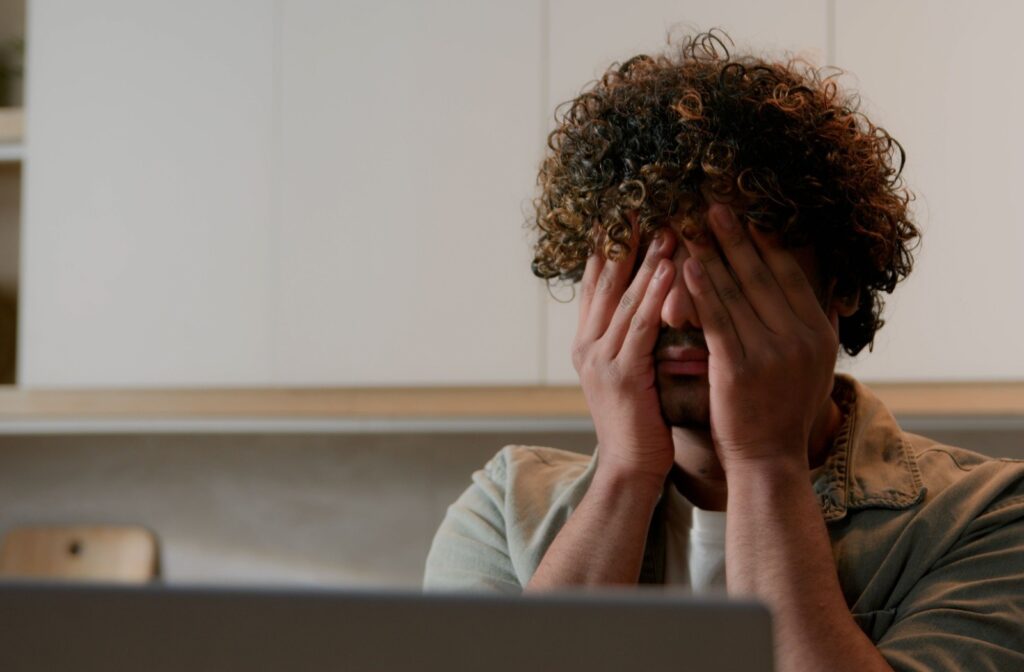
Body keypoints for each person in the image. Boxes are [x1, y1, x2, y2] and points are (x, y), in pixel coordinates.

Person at [423, 31, 1024, 671]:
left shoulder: (983, 520)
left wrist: (766, 462)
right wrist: (627, 472)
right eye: (648, 269)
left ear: (840, 284)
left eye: (731, 270)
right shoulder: (504, 511)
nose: (679, 310)